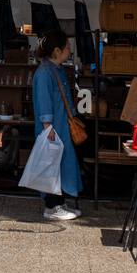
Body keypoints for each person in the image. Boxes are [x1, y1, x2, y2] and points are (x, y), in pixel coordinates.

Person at [31, 28, 82, 221]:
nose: (69, 50)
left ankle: (59, 203)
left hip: (59, 125)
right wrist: (47, 126)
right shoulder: (45, 73)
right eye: (67, 47)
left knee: (60, 163)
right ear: (56, 51)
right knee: (53, 164)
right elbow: (44, 101)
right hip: (53, 127)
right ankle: (51, 206)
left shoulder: (53, 70)